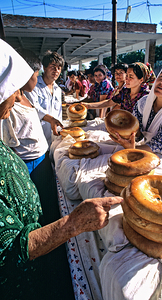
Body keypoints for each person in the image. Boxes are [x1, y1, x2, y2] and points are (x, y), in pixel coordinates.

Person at [0, 39, 123, 299]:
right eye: (14, 89)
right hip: (17, 284)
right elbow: (8, 248)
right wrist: (74, 223)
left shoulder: (26, 100)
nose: (18, 95)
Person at [110, 62, 162, 181]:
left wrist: (132, 148)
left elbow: (160, 146)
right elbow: (137, 129)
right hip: (145, 147)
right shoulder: (143, 103)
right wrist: (129, 136)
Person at [25, 50, 64, 147]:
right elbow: (33, 108)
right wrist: (50, 119)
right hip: (37, 138)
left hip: (55, 138)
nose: (56, 71)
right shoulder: (33, 86)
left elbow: (59, 114)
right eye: (53, 67)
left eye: (59, 68)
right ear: (45, 68)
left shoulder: (58, 90)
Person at [83, 62, 155, 114]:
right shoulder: (125, 92)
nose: (127, 79)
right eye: (126, 76)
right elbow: (109, 102)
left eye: (131, 77)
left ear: (141, 80)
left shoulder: (147, 97)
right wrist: (88, 105)